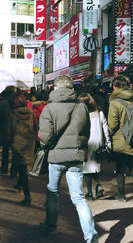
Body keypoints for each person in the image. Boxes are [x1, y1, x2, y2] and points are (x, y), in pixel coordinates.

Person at [38, 76, 98, 242]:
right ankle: (90, 234)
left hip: (56, 157)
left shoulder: (48, 109)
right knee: (78, 197)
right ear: (72, 89)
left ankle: (51, 227)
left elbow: (44, 136)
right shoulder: (81, 107)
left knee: (53, 192)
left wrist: (47, 147)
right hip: (76, 156)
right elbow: (87, 132)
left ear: (55, 89)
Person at [107, 75, 133, 204]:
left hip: (120, 140)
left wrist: (107, 137)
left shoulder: (115, 103)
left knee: (120, 168)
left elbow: (112, 124)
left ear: (115, 87)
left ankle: (121, 195)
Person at [77, 93, 111, 200]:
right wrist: (108, 143)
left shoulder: (81, 116)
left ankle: (90, 193)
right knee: (95, 167)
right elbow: (105, 128)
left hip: (86, 144)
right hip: (98, 144)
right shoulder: (99, 113)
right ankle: (98, 185)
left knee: (87, 169)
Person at [8, 90, 38, 206]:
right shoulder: (31, 113)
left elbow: (10, 130)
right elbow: (36, 127)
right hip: (29, 142)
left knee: (22, 169)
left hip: (17, 143)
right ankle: (19, 185)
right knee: (23, 165)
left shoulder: (12, 114)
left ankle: (27, 196)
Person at [0, 85, 17, 175]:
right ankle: (14, 171)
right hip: (16, 129)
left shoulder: (2, 103)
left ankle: (4, 168)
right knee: (16, 152)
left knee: (5, 150)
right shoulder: (17, 102)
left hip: (5, 129)